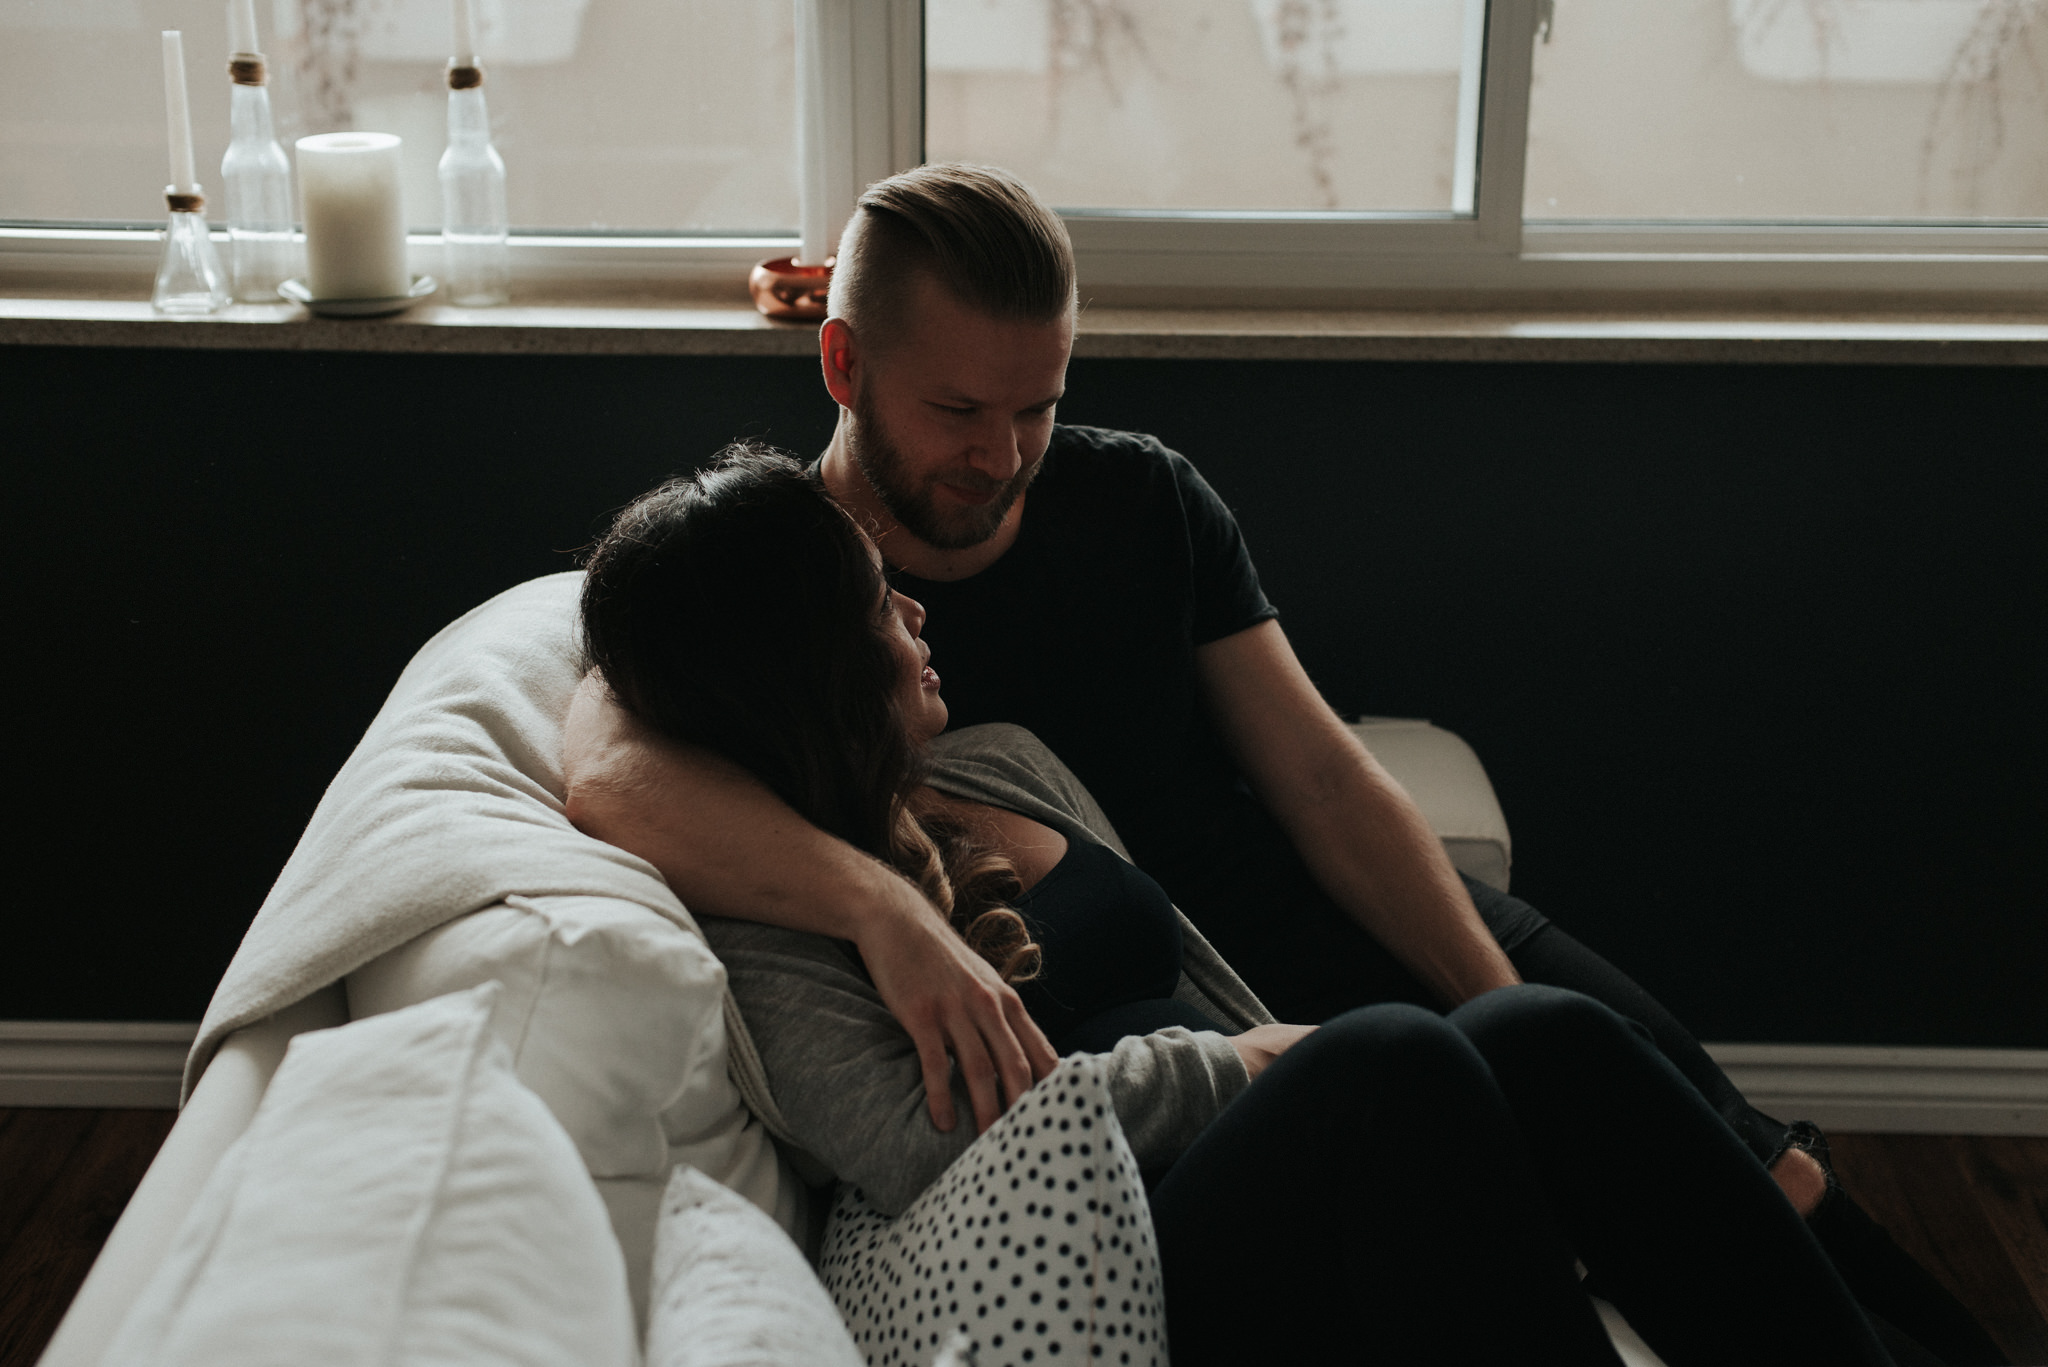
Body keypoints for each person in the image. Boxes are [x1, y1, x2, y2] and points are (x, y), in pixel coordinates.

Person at [562, 164, 2003, 1364]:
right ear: (844, 365)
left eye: (1040, 404)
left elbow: (1320, 780)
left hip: (1264, 946)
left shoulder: (1120, 527)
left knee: (1692, 1113)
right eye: (957, 414)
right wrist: (875, 906)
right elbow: (607, 758)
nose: (1004, 456)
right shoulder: (773, 595)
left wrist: (1486, 1000)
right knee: (1439, 1077)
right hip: (1173, 1112)